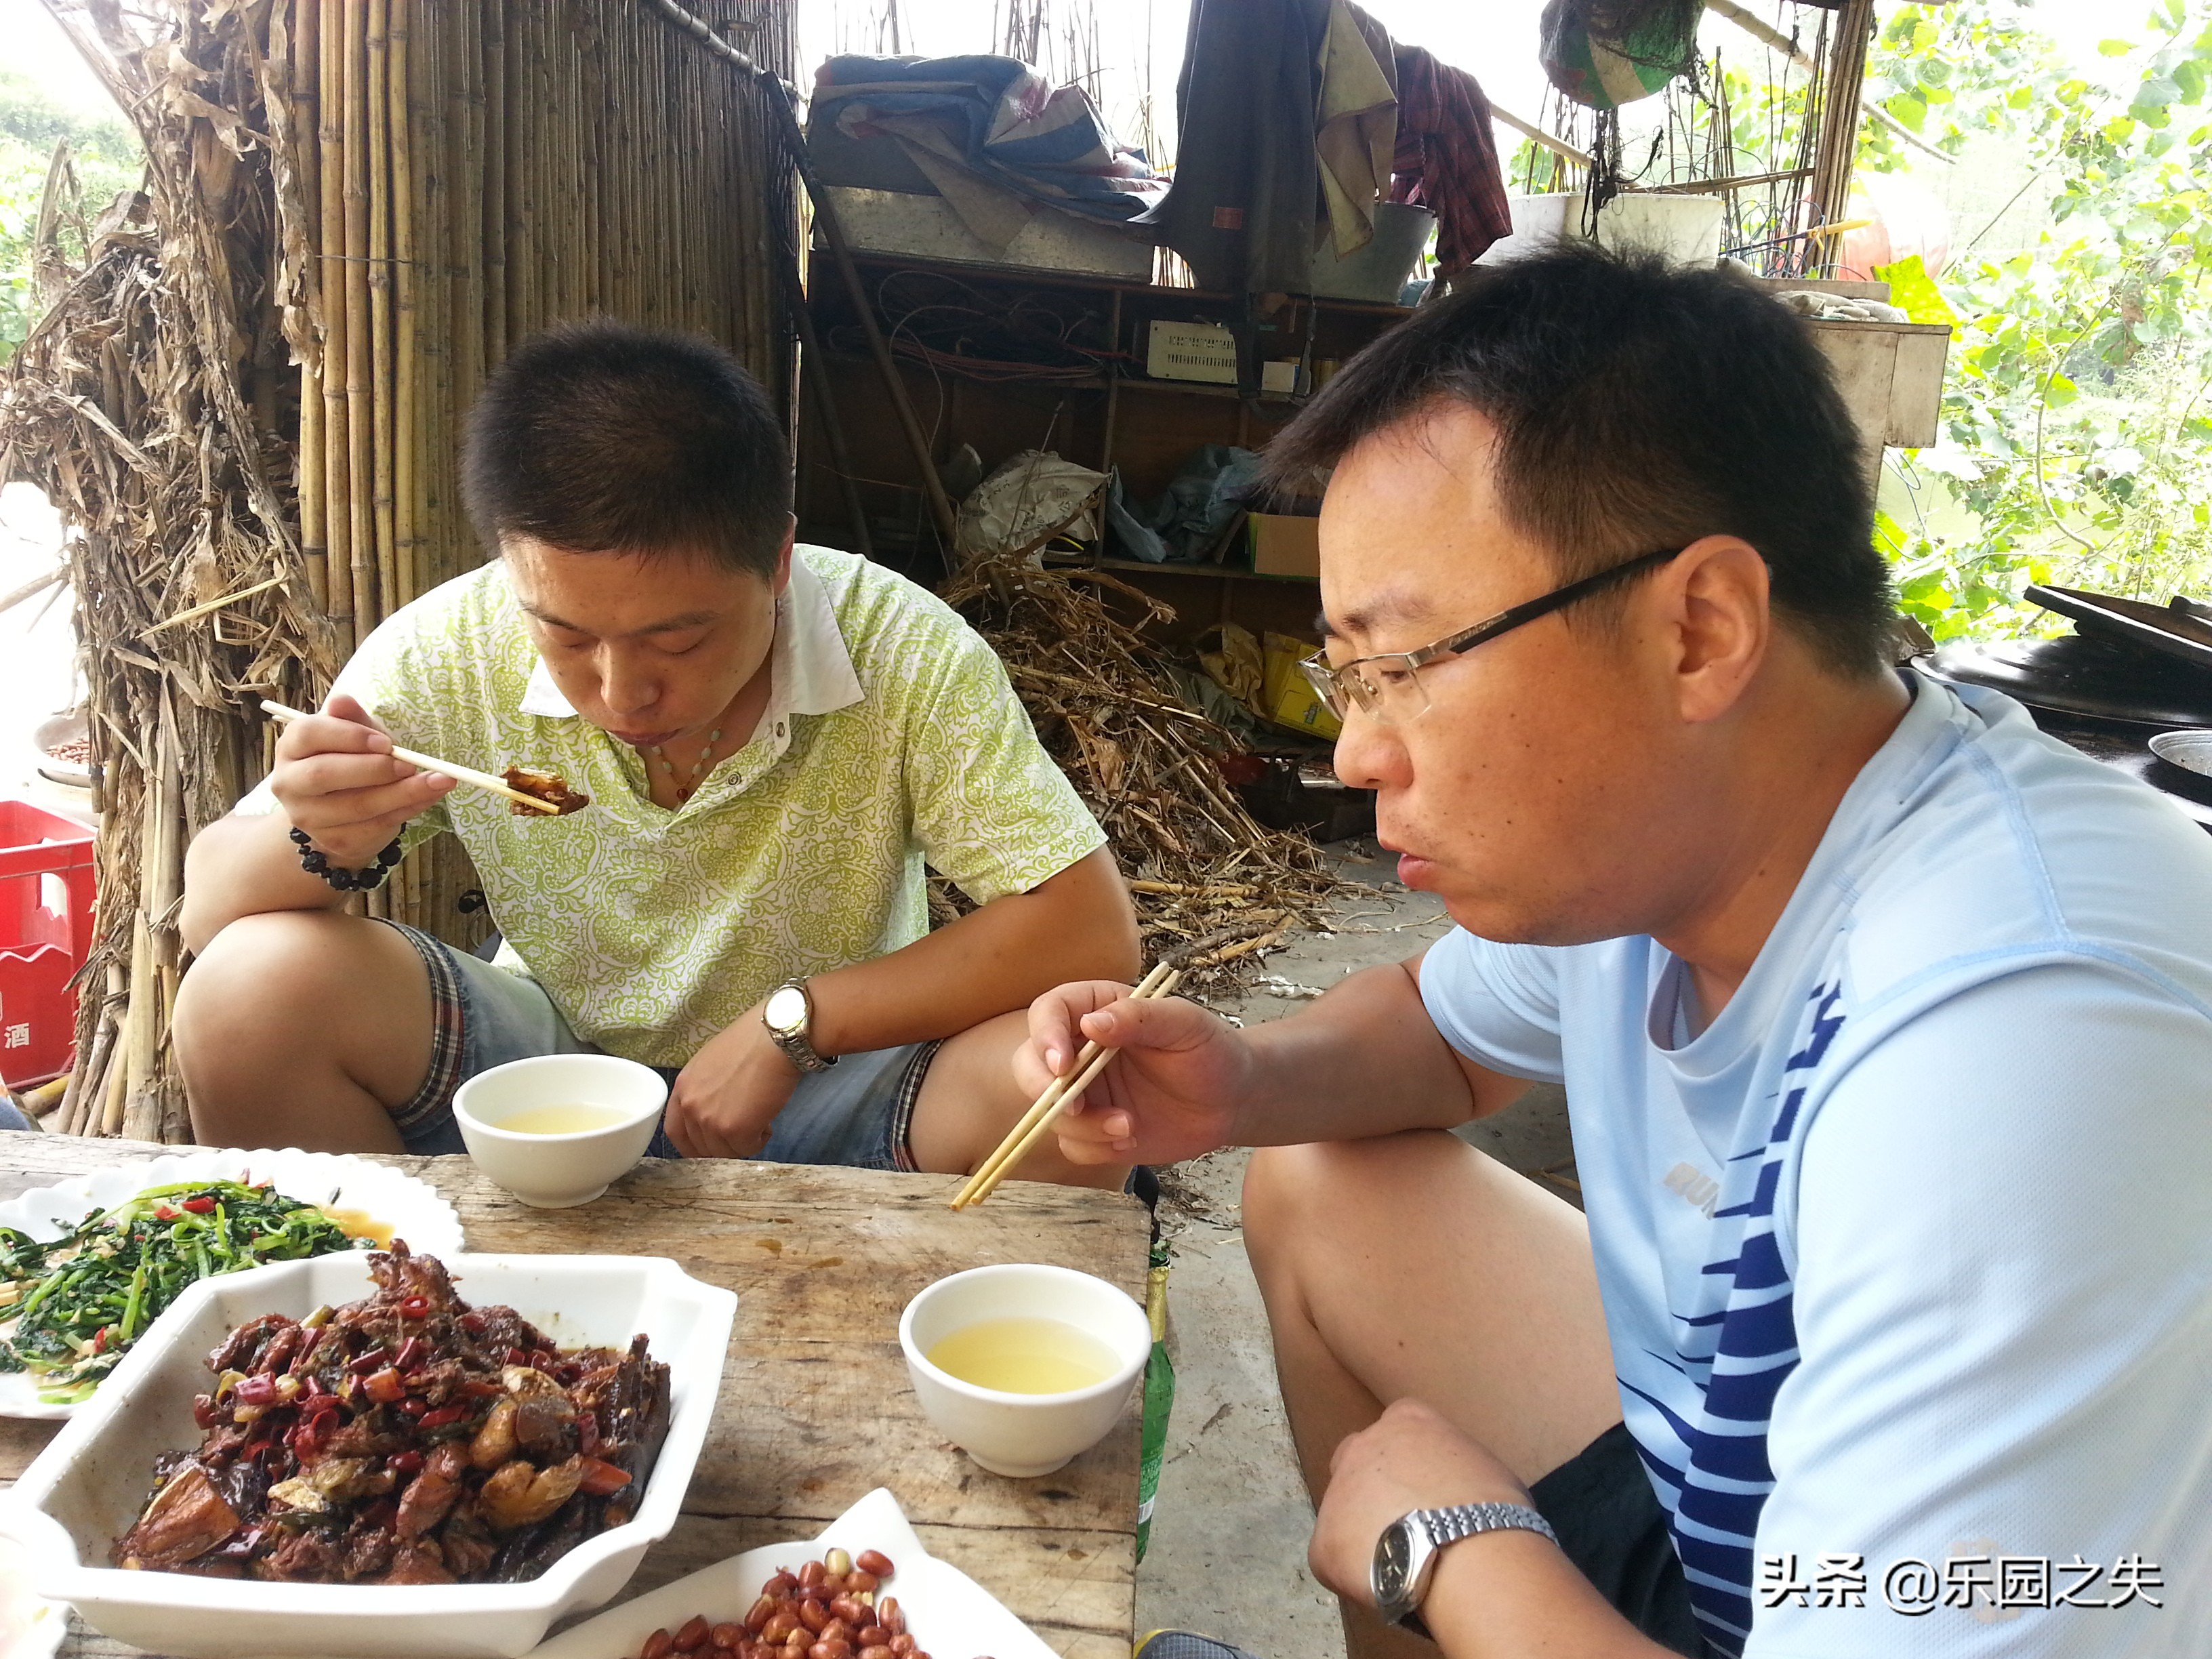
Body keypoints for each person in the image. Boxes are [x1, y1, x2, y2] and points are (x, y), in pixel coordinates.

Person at [1023, 248, 2212, 1656]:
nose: (1353, 751)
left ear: (1699, 629)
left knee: (1425, 1524)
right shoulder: (1678, 839)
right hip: (1739, 1500)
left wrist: (1457, 1554)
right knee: (1321, 1182)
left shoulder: (2016, 1046)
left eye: (1400, 666)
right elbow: (1444, 1033)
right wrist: (1234, 1086)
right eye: (1349, 680)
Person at [176, 319, 1140, 1182]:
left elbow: (1090, 932)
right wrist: (324, 837)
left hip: (838, 1075)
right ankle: (396, 1331)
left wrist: (799, 1023)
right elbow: (208, 916)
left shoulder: (900, 647)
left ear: (777, 562)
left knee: (1062, 1084)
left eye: (678, 642)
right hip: (547, 1069)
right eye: (563, 634)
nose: (620, 692)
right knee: (250, 991)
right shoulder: (452, 647)